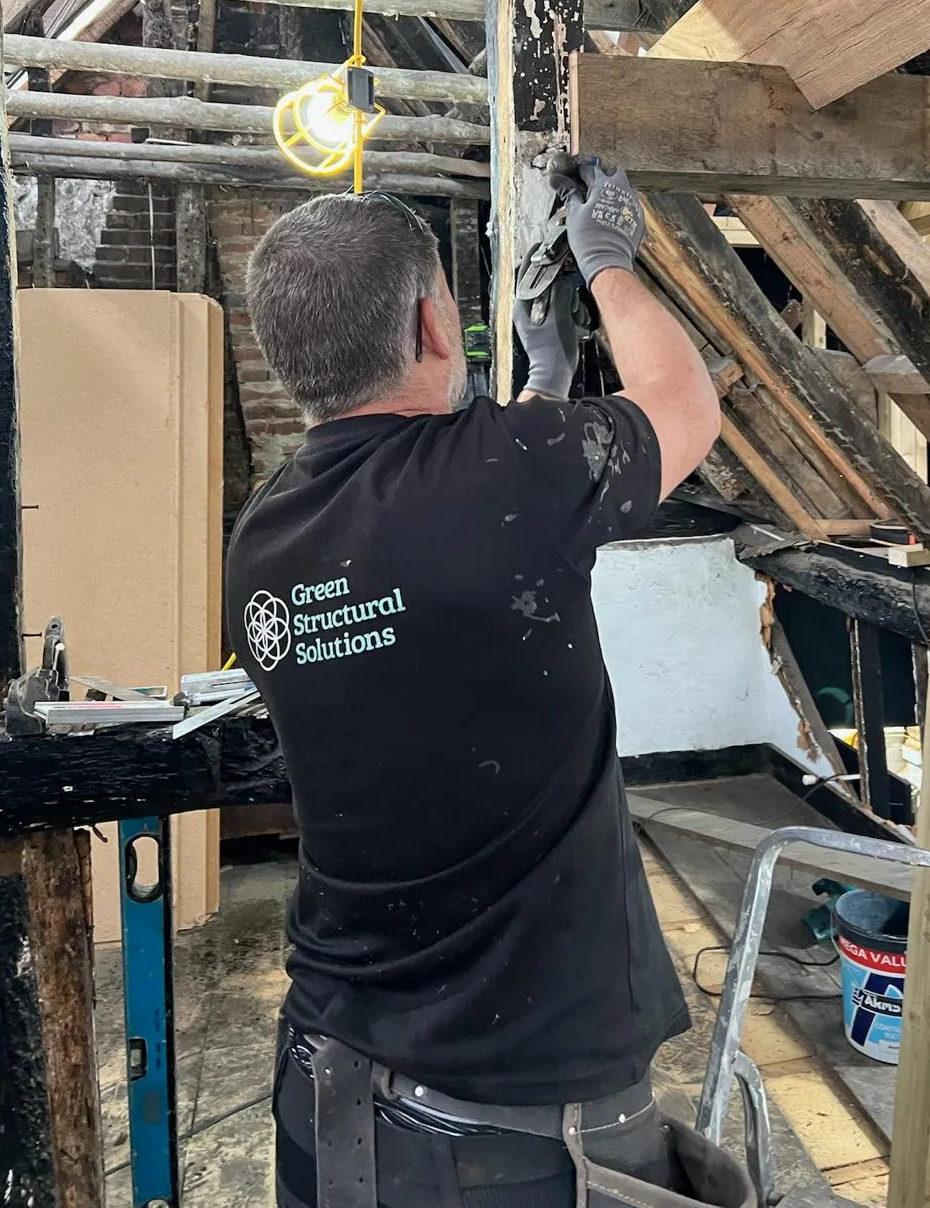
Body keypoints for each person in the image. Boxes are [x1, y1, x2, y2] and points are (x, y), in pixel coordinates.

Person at [224, 163, 744, 1208]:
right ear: (431, 321)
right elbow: (686, 404)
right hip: (513, 1136)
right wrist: (607, 267)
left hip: (328, 1088)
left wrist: (545, 381)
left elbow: (462, 524)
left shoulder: (267, 533)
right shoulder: (512, 473)